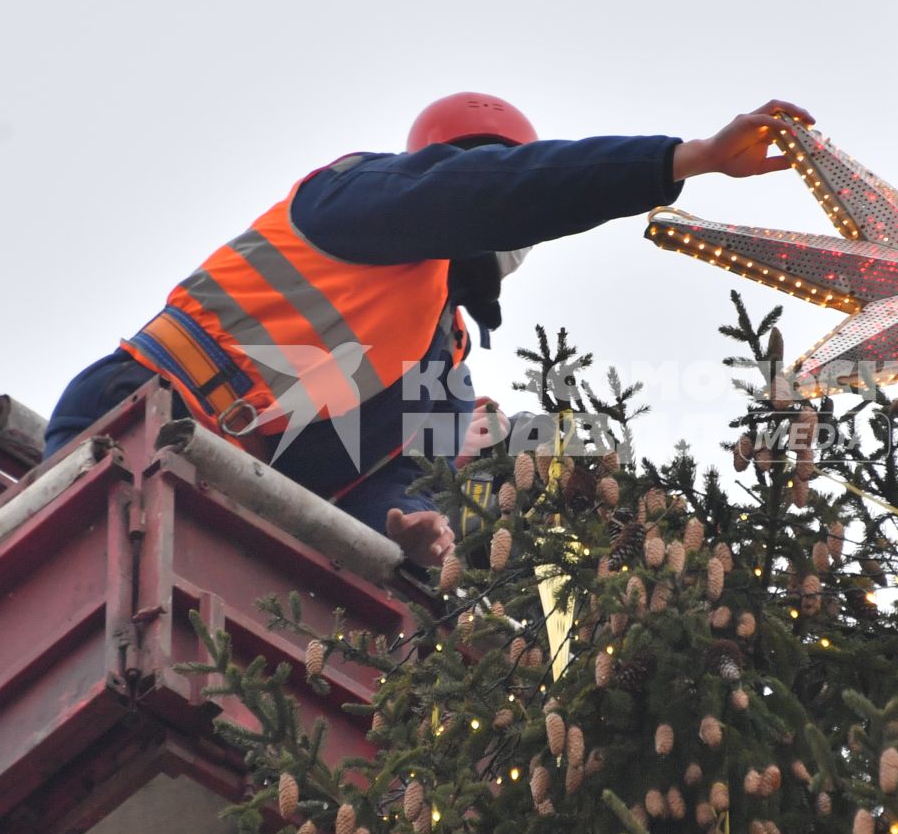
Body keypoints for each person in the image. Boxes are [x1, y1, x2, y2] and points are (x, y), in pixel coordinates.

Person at [41, 92, 812, 567]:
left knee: (520, 445)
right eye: (498, 180)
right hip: (139, 414)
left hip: (230, 493)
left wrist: (409, 535)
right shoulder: (356, 198)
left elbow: (405, 483)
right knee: (67, 571)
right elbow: (497, 192)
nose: (512, 218)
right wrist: (686, 160)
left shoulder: (440, 356)